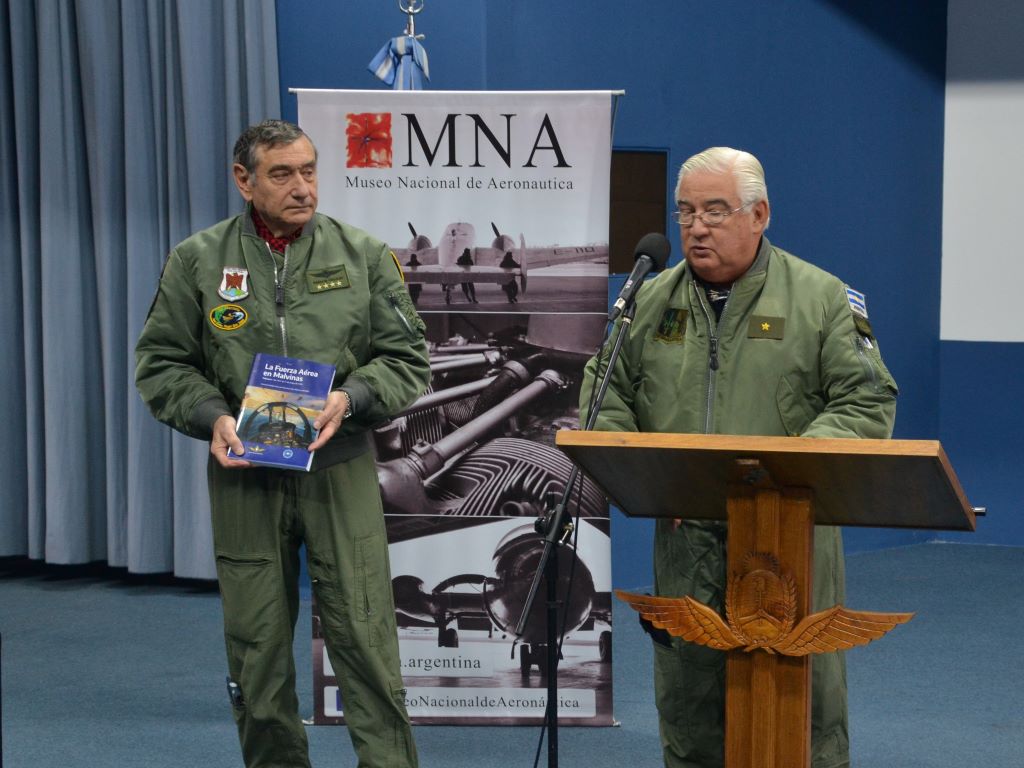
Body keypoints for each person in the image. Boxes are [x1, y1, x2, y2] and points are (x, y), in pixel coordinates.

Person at [581, 147, 898, 768]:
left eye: (716, 211)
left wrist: (791, 474)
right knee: (691, 707)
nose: (697, 227)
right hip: (686, 532)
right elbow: (604, 393)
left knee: (801, 708)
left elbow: (867, 402)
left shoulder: (821, 299)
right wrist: (652, 478)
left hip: (790, 537)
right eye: (687, 212)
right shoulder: (647, 302)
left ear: (760, 214)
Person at [135, 119, 429, 768]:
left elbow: (408, 361)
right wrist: (210, 414)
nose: (302, 187)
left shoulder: (363, 256)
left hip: (340, 470)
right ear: (244, 181)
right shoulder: (198, 261)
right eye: (281, 174)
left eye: (309, 170)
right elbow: (161, 364)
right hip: (247, 474)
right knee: (257, 655)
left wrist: (351, 398)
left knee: (368, 648)